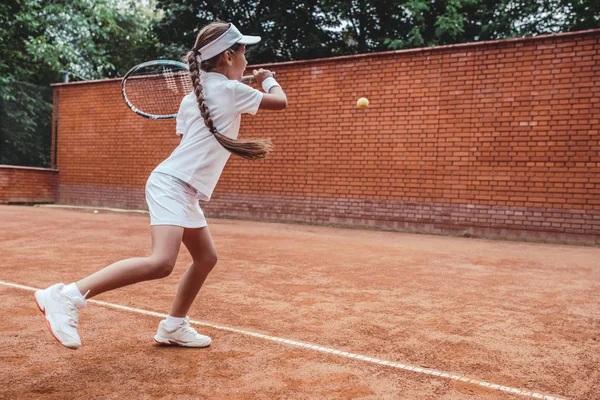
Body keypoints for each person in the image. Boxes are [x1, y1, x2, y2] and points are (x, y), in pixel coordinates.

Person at [34, 21, 288, 349]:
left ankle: (174, 326)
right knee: (161, 262)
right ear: (227, 56)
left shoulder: (195, 98)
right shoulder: (230, 91)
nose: (247, 61)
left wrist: (241, 85)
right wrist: (268, 79)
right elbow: (280, 101)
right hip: (172, 185)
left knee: (206, 258)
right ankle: (66, 296)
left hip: (181, 187)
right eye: (244, 53)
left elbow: (190, 140)